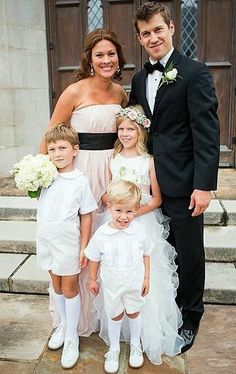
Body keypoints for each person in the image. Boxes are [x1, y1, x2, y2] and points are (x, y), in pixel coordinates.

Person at [129, 1, 220, 353]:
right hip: (151, 184)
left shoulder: (195, 73)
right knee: (160, 251)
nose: (153, 38)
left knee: (189, 252)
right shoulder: (139, 79)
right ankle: (164, 311)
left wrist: (204, 185)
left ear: (171, 28)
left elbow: (207, 133)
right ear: (139, 38)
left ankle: (191, 315)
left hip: (185, 183)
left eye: (157, 29)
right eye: (145, 33)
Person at [39, 28, 128, 335]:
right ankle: (71, 323)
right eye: (99, 54)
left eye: (111, 54)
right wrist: (42, 177)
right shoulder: (74, 92)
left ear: (118, 57)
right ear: (89, 59)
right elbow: (50, 135)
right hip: (80, 172)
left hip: (112, 173)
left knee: (109, 241)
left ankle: (106, 315)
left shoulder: (120, 93)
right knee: (77, 244)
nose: (106, 60)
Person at [86, 106, 184, 371]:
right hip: (114, 220)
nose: (126, 133)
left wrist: (132, 212)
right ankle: (116, 342)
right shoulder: (114, 158)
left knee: (140, 276)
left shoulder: (148, 161)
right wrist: (117, 207)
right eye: (122, 129)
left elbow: (157, 198)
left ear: (140, 131)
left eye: (131, 129)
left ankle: (142, 339)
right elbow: (105, 193)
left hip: (142, 222)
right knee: (116, 275)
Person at [36, 124, 97, 369]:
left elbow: (87, 215)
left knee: (70, 287)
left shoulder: (80, 181)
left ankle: (72, 336)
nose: (57, 154)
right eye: (52, 149)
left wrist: (84, 246)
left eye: (62, 148)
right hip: (46, 237)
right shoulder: (45, 176)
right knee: (56, 285)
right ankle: (61, 325)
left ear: (75, 150)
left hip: (69, 241)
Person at [85, 180, 154, 373]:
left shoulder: (140, 231)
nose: (124, 217)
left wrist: (147, 278)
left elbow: (147, 253)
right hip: (112, 283)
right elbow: (93, 257)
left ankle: (135, 345)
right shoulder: (102, 234)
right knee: (114, 314)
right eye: (119, 211)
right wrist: (92, 279)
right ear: (110, 207)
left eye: (129, 212)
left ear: (137, 210)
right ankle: (114, 348)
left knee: (133, 311)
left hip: (134, 281)